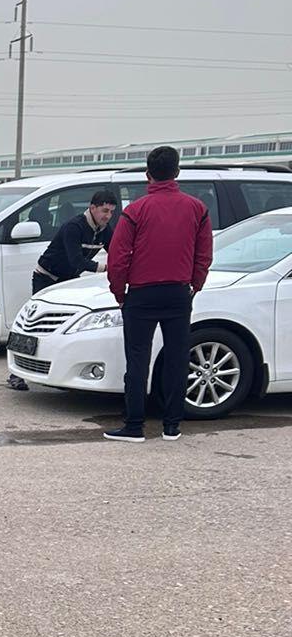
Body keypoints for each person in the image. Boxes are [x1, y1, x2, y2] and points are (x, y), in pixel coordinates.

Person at [103, 145, 213, 442]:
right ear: (177, 172)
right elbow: (204, 253)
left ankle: (134, 425)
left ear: (147, 174)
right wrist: (195, 284)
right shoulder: (197, 208)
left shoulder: (135, 211)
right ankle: (172, 425)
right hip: (178, 292)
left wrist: (119, 292)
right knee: (177, 358)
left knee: (137, 360)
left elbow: (118, 257)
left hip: (141, 293)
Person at [33, 189, 117, 292]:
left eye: (111, 212)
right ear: (92, 208)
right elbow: (76, 260)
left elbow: (116, 251)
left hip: (69, 279)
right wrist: (105, 268)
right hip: (47, 278)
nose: (108, 216)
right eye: (105, 211)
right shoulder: (74, 227)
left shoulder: (105, 230)